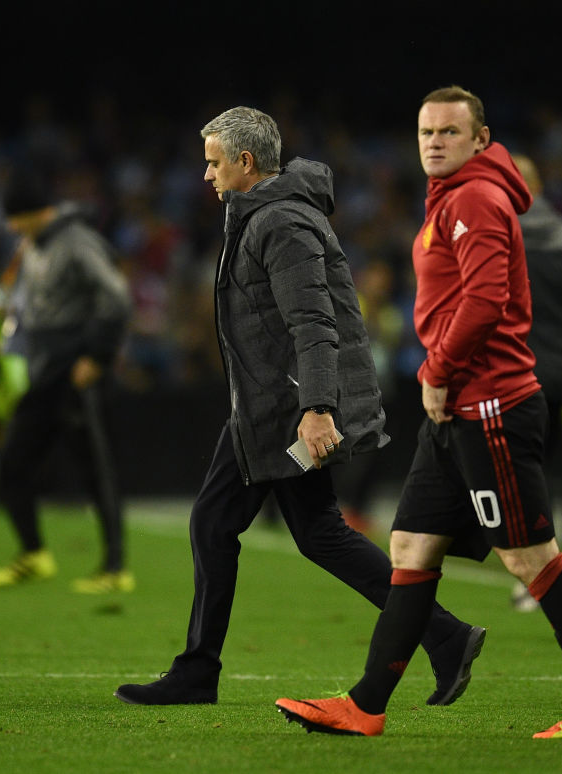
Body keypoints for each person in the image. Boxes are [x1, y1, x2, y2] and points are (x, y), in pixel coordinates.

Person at [275, 86, 562, 739]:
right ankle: (366, 704)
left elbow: (486, 299)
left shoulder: (475, 197)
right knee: (411, 545)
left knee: (530, 559)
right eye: (426, 132)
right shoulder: (454, 195)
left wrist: (437, 370)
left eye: (449, 131)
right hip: (460, 408)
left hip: (490, 404)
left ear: (480, 139)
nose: (435, 142)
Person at [114, 106, 483, 707]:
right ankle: (444, 635)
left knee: (266, 529)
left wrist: (316, 408)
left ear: (246, 162)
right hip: (265, 407)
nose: (205, 175)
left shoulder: (280, 222)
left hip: (286, 411)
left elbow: (314, 324)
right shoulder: (261, 214)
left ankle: (199, 672)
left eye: (213, 163)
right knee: (298, 532)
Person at [0, 168, 134, 594]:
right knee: (11, 463)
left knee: (95, 471)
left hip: (75, 368)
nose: (11, 226)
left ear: (36, 212)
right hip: (45, 370)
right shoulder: (35, 243)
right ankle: (33, 554)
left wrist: (98, 356)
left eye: (15, 217)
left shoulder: (76, 241)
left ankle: (116, 568)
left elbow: (116, 297)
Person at [508, 153, 562, 613]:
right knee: (537, 470)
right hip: (558, 375)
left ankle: (535, 574)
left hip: (508, 374)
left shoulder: (495, 236)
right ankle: (538, 570)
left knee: (516, 474)